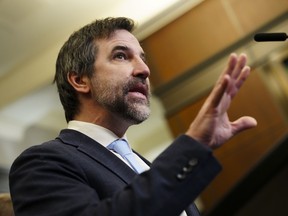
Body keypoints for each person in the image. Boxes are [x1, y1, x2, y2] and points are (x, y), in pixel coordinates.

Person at [9, 17, 257, 216]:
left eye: (142, 58)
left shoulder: (143, 166)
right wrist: (194, 144)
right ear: (80, 80)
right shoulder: (42, 162)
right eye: (120, 55)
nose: (144, 70)